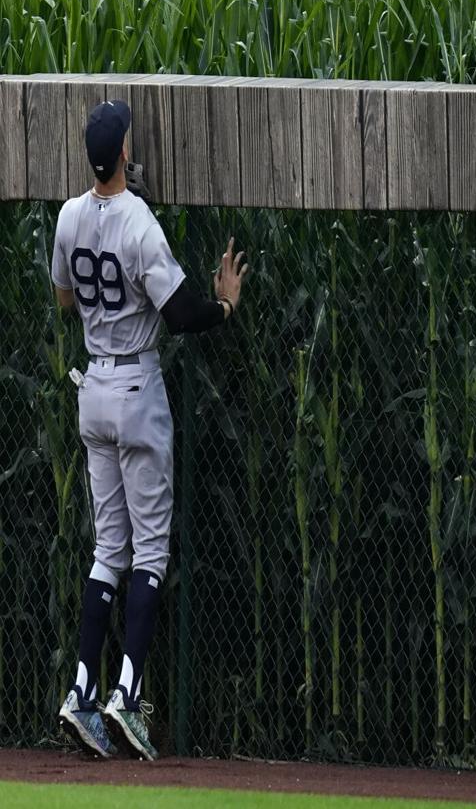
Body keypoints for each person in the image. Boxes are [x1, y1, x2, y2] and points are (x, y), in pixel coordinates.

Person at [51, 99, 249, 760]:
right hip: (136, 385)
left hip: (94, 384)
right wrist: (224, 303)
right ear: (126, 155)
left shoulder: (69, 215)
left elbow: (63, 296)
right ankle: (126, 698)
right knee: (151, 552)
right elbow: (182, 312)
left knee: (109, 550)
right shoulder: (137, 221)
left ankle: (81, 692)